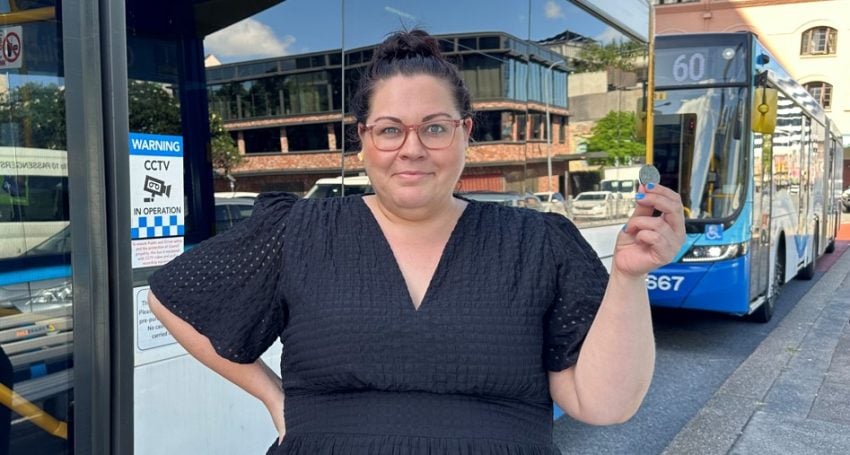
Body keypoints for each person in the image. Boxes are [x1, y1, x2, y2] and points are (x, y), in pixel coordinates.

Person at [148, 29, 685, 454]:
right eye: (389, 129)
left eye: (434, 127)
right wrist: (273, 396)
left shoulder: (539, 243)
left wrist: (629, 276)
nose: (411, 149)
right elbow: (171, 296)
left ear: (465, 134)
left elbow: (603, 405)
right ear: (363, 140)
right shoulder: (300, 230)